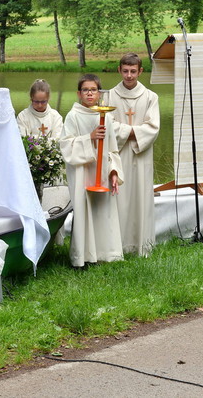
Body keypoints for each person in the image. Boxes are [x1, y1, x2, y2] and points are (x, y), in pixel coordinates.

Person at [59, 74, 124, 268]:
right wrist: (90, 138)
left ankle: (107, 253)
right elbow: (66, 146)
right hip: (81, 172)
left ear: (99, 93)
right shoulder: (73, 116)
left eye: (93, 90)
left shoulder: (107, 117)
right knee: (83, 210)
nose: (89, 93)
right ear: (79, 93)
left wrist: (113, 172)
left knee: (104, 211)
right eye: (86, 90)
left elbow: (112, 149)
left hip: (102, 172)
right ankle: (83, 256)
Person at [109, 53, 160, 256]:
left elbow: (153, 127)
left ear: (140, 71)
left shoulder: (150, 97)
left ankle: (142, 246)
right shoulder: (110, 96)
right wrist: (134, 131)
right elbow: (106, 124)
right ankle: (118, 246)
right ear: (119, 70)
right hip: (118, 154)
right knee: (119, 199)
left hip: (141, 155)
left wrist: (127, 132)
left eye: (133, 71)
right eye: (125, 71)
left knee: (141, 198)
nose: (129, 75)